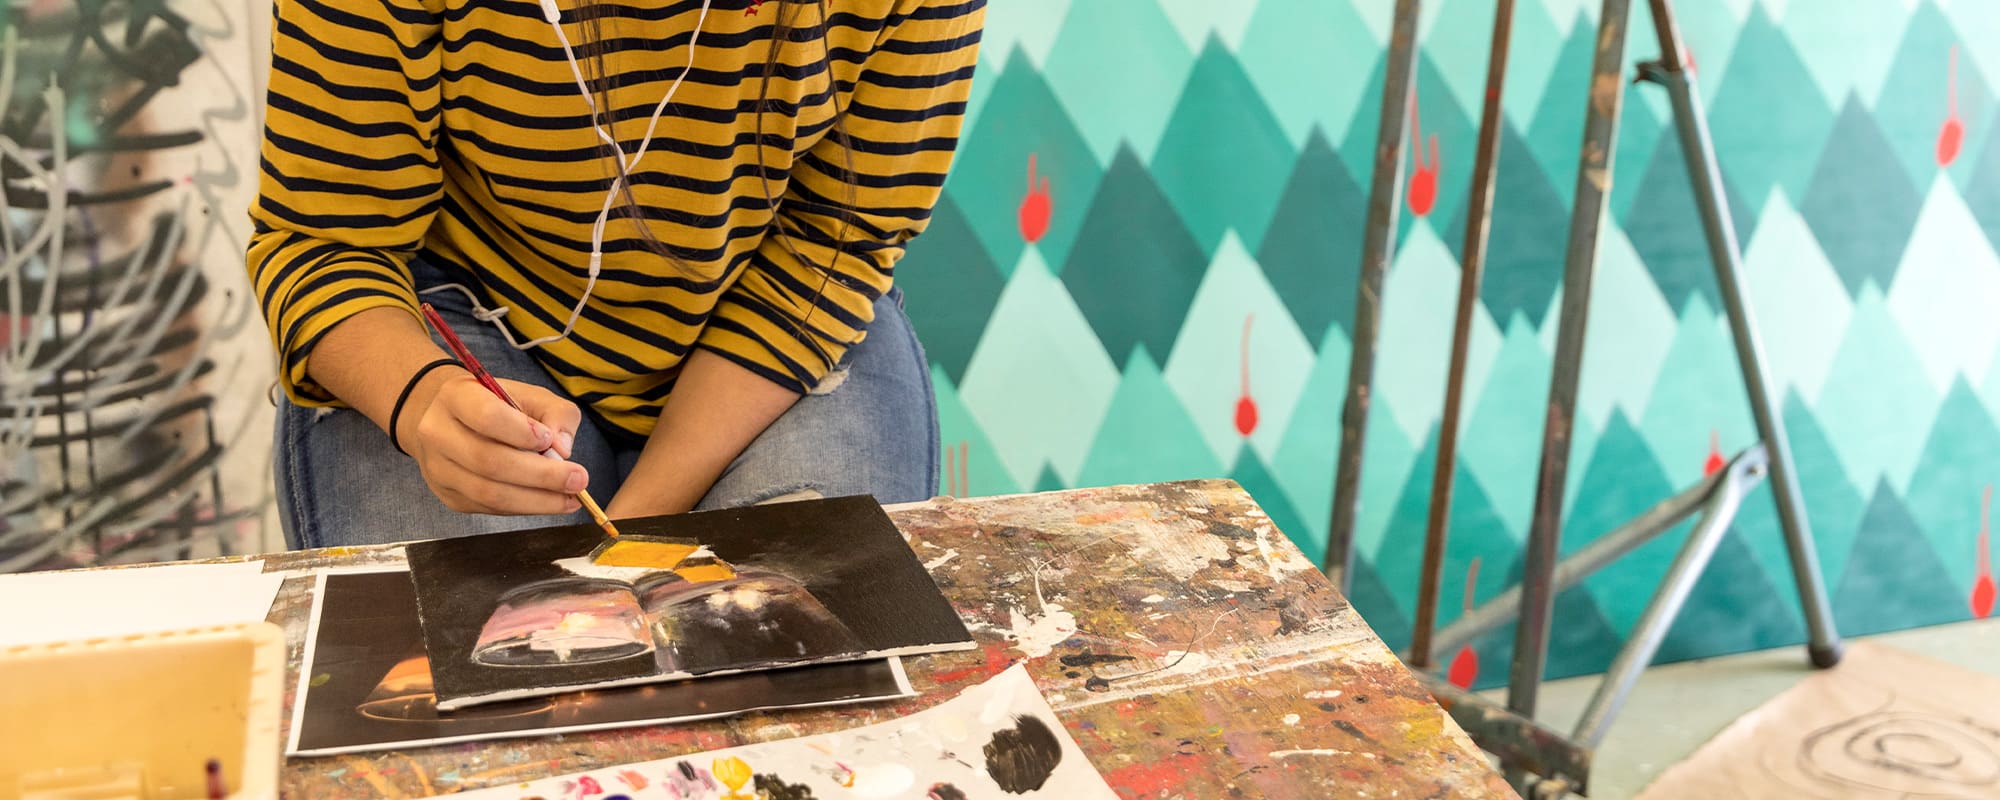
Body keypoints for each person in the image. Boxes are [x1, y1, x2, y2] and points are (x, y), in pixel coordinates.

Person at [248, 0, 986, 548]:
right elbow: (323, 239)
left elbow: (833, 241)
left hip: (776, 322)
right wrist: (422, 400)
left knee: (814, 666)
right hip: (463, 312)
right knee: (492, 692)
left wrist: (629, 541)